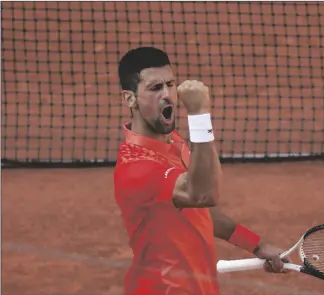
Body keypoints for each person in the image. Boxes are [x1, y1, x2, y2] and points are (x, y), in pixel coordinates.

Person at [113, 47, 290, 295]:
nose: (168, 95)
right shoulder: (136, 167)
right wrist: (199, 115)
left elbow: (199, 211)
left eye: (170, 84)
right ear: (129, 99)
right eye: (155, 88)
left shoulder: (172, 141)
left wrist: (256, 244)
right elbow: (203, 194)